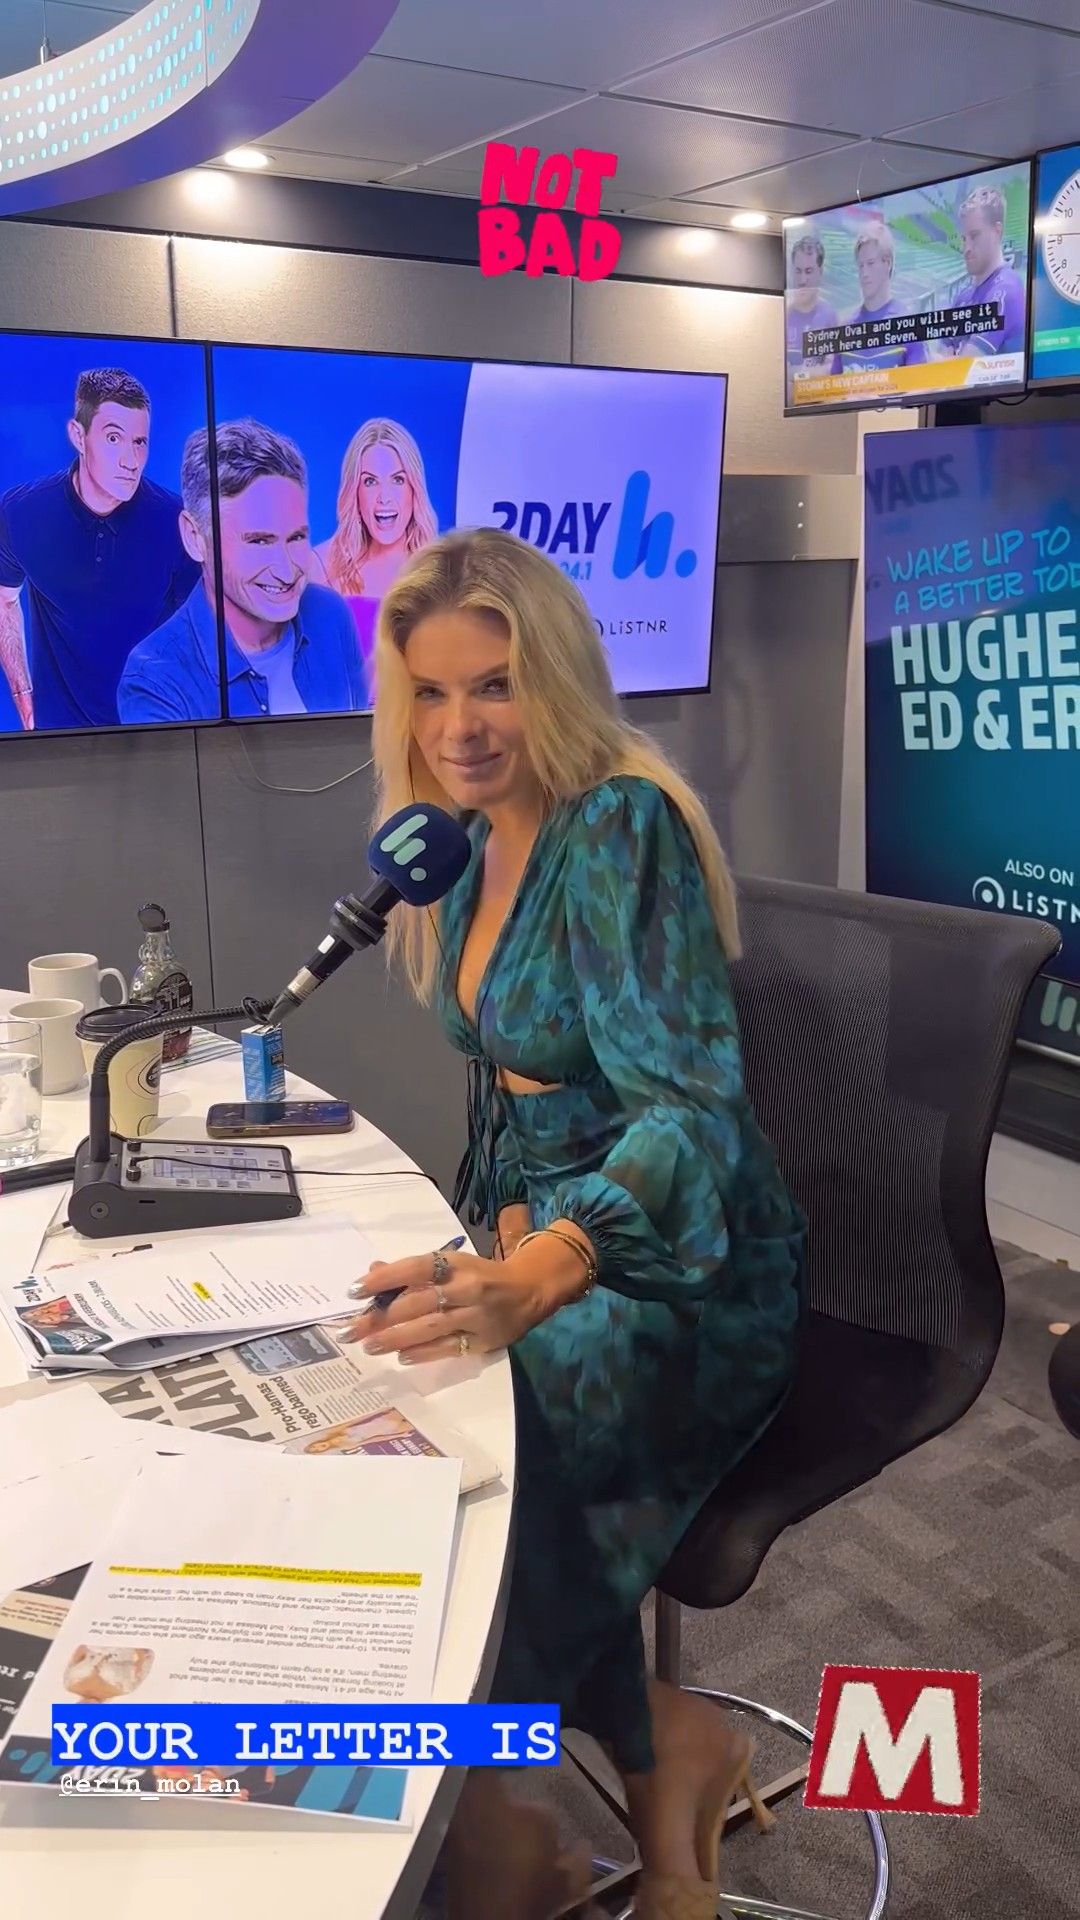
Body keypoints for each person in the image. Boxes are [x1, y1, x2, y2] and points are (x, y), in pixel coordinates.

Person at [343, 528, 806, 1920]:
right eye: (430, 693)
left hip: (686, 1261)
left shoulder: (617, 823)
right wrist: (493, 1243)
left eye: (493, 685)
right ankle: (665, 1747)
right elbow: (515, 1088)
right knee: (404, 1401)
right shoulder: (465, 836)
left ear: (551, 678)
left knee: (498, 1455)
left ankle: (489, 1804)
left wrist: (544, 1268)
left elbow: (692, 1113)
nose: (460, 727)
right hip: (550, 1234)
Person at [118, 419, 366, 723]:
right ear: (195, 538)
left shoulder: (331, 616)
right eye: (259, 541)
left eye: (296, 537)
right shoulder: (156, 682)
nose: (286, 571)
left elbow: (364, 746)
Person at [0, 367, 199, 731]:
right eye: (113, 438)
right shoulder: (21, 513)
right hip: (60, 740)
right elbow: (3, 598)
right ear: (78, 436)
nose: (131, 461)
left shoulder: (178, 524)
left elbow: (203, 628)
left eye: (139, 442)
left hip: (157, 735)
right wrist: (23, 694)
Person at [312, 418, 437, 687]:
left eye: (398, 480)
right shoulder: (318, 566)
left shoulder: (441, 571)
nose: (384, 497)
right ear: (354, 492)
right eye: (370, 481)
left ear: (414, 489)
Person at [946, 185, 1025, 357]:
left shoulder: (1007, 290)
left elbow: (967, 365)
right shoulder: (962, 298)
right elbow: (937, 361)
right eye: (964, 238)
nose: (966, 247)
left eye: (974, 236)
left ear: (997, 231)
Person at [842, 224, 926, 372]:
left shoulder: (908, 325)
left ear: (887, 263)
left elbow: (920, 382)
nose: (864, 273)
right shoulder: (847, 328)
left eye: (870, 263)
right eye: (861, 266)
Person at [785, 231, 840, 375]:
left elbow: (831, 370)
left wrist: (796, 373)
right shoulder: (783, 316)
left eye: (808, 271)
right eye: (798, 271)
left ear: (820, 272)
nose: (802, 280)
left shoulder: (829, 317)